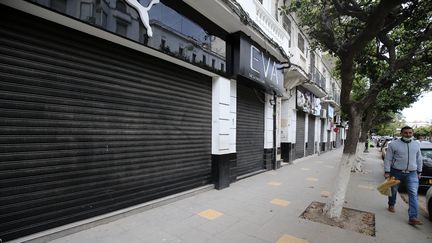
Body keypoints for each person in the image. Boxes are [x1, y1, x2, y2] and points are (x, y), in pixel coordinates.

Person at [384, 126, 423, 225]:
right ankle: (391, 204)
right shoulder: (393, 144)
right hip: (396, 171)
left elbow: (419, 158)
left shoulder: (416, 144)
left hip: (412, 173)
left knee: (413, 194)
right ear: (401, 133)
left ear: (412, 133)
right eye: (406, 133)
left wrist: (419, 171)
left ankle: (413, 217)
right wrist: (387, 171)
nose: (408, 135)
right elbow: (388, 159)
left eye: (410, 133)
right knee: (393, 190)